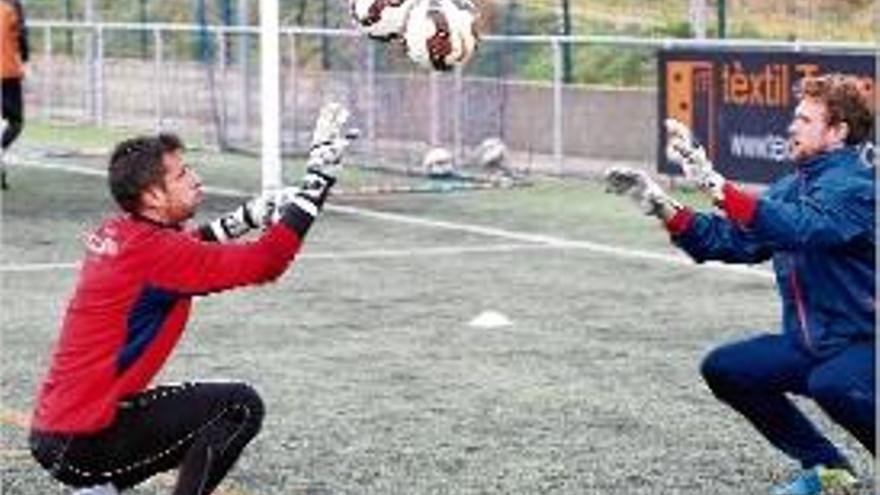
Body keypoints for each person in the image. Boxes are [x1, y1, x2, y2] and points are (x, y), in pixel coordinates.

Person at [28, 103, 355, 495]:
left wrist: (245, 217)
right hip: (84, 441)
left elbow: (179, 252)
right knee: (238, 407)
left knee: (205, 410)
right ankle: (100, 484)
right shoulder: (159, 255)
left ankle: (99, 489)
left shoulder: (120, 232)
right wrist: (317, 182)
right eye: (182, 175)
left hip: (61, 432)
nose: (196, 180)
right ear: (151, 196)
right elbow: (268, 261)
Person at [605, 73, 875, 495]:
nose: (792, 127)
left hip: (866, 343)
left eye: (805, 120)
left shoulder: (860, 187)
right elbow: (734, 240)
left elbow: (804, 228)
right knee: (727, 369)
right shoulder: (791, 187)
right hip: (814, 342)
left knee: (834, 383)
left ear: (838, 131)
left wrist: (715, 185)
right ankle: (829, 468)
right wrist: (662, 207)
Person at [0, 0, 28, 190]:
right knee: (15, 121)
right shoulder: (11, 7)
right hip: (7, 72)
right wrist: (25, 59)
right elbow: (21, 36)